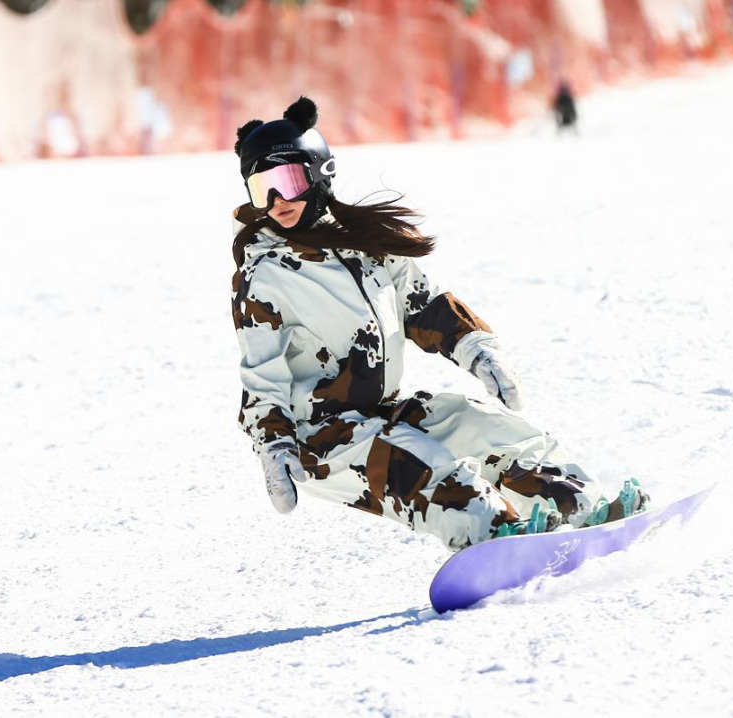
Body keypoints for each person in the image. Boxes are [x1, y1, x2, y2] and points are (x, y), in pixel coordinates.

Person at [231, 97, 646, 552]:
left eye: (287, 180)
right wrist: (273, 447)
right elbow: (262, 374)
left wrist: (476, 349)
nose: (275, 201)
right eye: (260, 188)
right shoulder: (265, 276)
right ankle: (493, 535)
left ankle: (583, 507)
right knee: (419, 465)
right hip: (321, 438)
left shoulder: (364, 246)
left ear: (319, 174)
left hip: (381, 410)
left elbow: (422, 305)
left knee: (488, 429)